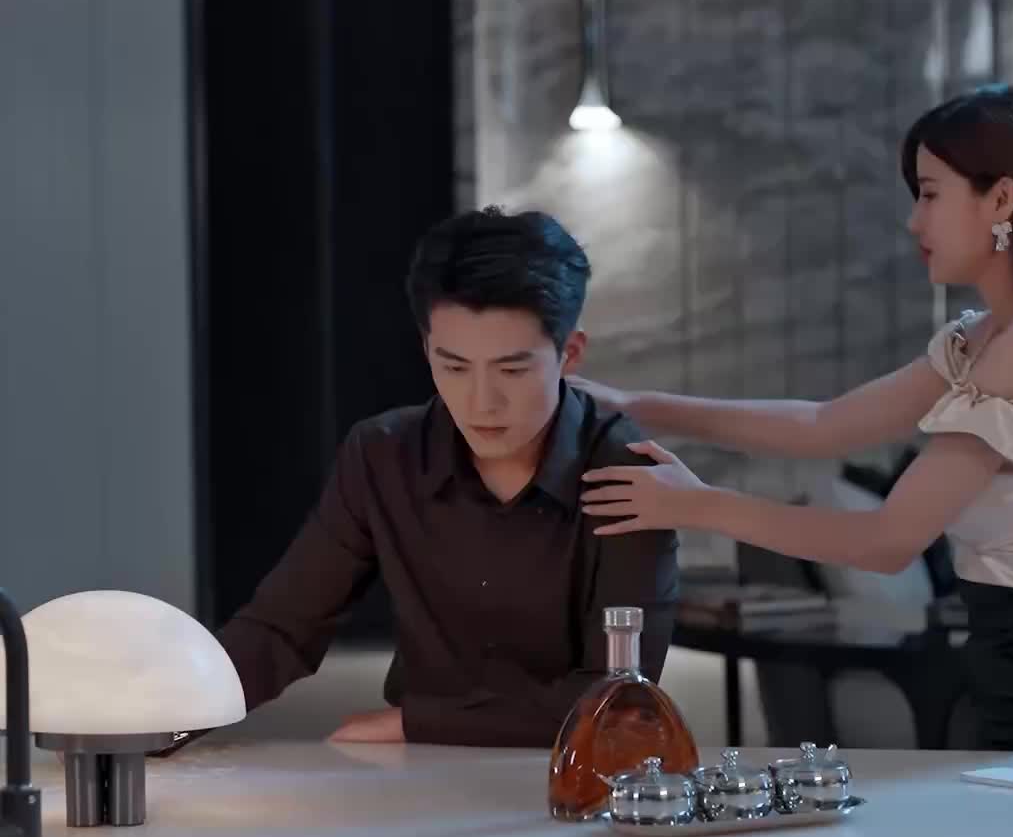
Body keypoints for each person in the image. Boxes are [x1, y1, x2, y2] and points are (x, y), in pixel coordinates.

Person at [578, 85, 1013, 752]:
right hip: (1012, 665)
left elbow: (888, 540)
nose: (914, 222)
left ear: (1001, 199)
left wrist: (696, 504)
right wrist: (637, 406)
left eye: (930, 194)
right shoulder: (982, 339)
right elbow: (824, 424)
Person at [218, 206, 678, 747]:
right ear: (426, 350)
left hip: (573, 767)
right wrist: (155, 723)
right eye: (454, 367)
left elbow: (619, 698)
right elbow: (279, 630)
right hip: (417, 768)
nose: (481, 402)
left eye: (512, 369)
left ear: (569, 353)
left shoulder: (627, 469)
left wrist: (417, 722)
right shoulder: (383, 454)